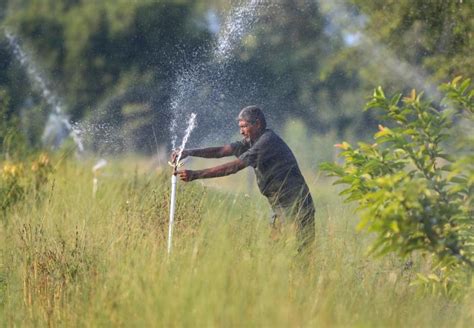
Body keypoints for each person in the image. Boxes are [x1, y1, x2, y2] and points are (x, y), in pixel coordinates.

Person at [172, 105, 315, 250]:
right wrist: (189, 152)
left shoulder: (267, 142)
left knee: (298, 251)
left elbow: (234, 167)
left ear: (257, 124)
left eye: (244, 126)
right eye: (240, 127)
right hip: (280, 206)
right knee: (276, 251)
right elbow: (222, 151)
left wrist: (196, 174)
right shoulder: (251, 141)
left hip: (296, 205)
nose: (241, 131)